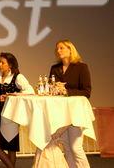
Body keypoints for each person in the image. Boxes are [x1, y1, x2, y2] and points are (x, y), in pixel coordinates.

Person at [49, 39, 92, 167]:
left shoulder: (81, 67)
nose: (58, 50)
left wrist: (66, 90)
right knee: (67, 147)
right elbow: (50, 89)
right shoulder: (55, 68)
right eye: (57, 48)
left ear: (70, 49)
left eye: (61, 48)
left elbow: (86, 92)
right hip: (60, 112)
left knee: (75, 148)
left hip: (75, 113)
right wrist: (54, 88)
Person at [0, 52, 34, 168]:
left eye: (3, 62)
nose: (0, 64)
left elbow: (30, 91)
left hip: (12, 113)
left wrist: (13, 95)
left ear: (10, 65)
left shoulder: (18, 77)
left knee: (10, 145)